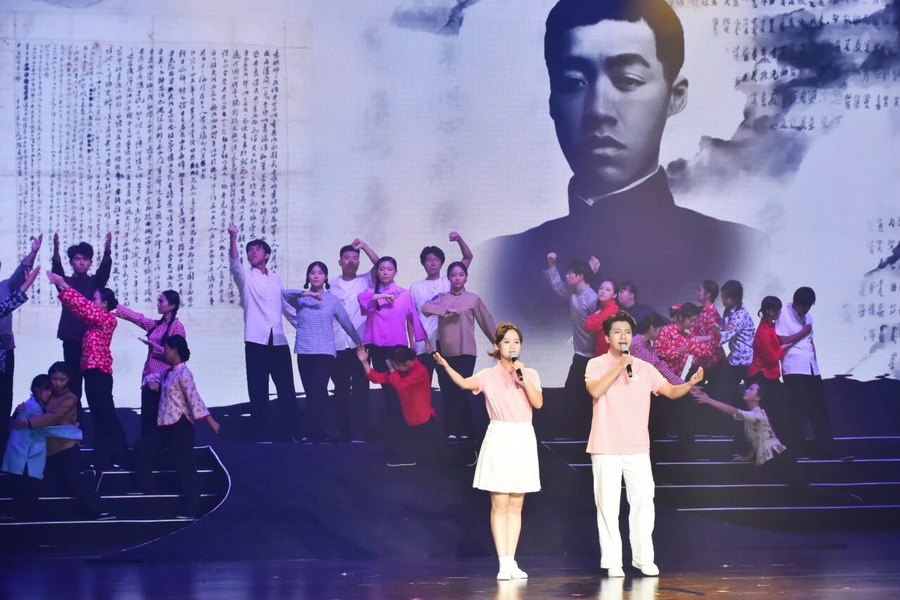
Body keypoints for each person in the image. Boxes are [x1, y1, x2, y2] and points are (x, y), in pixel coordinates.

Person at [478, 0, 766, 359]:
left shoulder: (737, 248)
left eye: (628, 80)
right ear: (552, 100)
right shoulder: (502, 263)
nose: (598, 110)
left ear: (675, 97)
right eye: (573, 82)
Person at [584, 311, 704, 578]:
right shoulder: (596, 364)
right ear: (607, 337)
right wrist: (619, 366)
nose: (623, 337)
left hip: (637, 447)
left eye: (627, 332)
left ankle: (643, 559)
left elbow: (670, 391)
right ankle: (613, 562)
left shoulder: (645, 367)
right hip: (605, 446)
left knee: (643, 503)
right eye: (617, 332)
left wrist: (689, 383)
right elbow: (595, 390)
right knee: (608, 506)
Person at [434, 322, 543, 581]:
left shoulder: (530, 373)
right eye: (507, 341)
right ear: (496, 345)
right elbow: (464, 383)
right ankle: (503, 562)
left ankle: (512, 561)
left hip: (523, 436)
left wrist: (522, 377)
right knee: (500, 503)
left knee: (516, 504)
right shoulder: (488, 375)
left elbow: (537, 403)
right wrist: (446, 365)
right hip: (500, 436)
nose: (512, 346)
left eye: (516, 341)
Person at [47, 270, 127, 471]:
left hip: (101, 373)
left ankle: (121, 455)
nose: (92, 302)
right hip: (91, 373)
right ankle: (102, 459)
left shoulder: (107, 319)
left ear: (104, 304)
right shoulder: (93, 321)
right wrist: (63, 289)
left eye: (95, 299)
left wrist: (64, 284)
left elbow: (83, 306)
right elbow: (79, 308)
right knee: (98, 418)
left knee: (108, 416)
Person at [11, 362, 112, 520]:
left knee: (74, 479)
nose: (57, 383)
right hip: (46, 445)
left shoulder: (70, 398)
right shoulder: (47, 392)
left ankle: (98, 510)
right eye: (54, 379)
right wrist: (19, 412)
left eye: (62, 380)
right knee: (31, 478)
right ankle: (21, 514)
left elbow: (54, 416)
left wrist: (29, 422)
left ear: (68, 379)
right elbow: (32, 408)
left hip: (65, 445)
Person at [135, 336, 220, 518]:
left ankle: (193, 506)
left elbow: (194, 398)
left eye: (166, 348)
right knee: (144, 448)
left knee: (185, 464)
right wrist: (149, 383)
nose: (164, 352)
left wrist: (211, 421)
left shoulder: (184, 374)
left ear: (175, 350)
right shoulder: (168, 372)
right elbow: (149, 377)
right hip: (165, 423)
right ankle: (147, 488)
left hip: (180, 424)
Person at [228, 224, 298, 442]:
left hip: (278, 340)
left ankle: (290, 432)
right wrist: (233, 238)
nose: (252, 252)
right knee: (258, 389)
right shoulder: (246, 277)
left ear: (267, 255)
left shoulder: (276, 278)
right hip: (256, 340)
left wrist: (306, 327)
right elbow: (235, 265)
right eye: (249, 250)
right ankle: (261, 432)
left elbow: (285, 306)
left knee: (286, 388)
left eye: (257, 249)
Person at [283, 261, 363, 443]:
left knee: (316, 392)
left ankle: (302, 431)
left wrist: (359, 342)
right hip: (304, 352)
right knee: (314, 394)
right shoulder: (301, 299)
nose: (316, 276)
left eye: (320, 273)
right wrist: (307, 293)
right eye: (312, 273)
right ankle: (316, 432)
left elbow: (346, 322)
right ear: (308, 276)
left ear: (326, 277)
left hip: (325, 353)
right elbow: (285, 295)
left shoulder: (332, 300)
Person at [421, 261, 496, 440]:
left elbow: (486, 321)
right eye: (453, 275)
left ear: (466, 277)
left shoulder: (473, 298)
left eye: (461, 275)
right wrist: (445, 309)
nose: (457, 278)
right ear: (448, 278)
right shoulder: (441, 297)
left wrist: (499, 343)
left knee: (461, 390)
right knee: (448, 391)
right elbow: (425, 308)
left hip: (466, 351)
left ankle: (465, 430)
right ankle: (451, 431)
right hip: (444, 352)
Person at [358, 257, 427, 440]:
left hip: (397, 348)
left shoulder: (404, 293)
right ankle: (392, 430)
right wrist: (381, 296)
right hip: (376, 346)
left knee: (399, 389)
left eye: (389, 269)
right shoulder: (370, 292)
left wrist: (420, 339)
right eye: (381, 269)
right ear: (377, 272)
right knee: (385, 385)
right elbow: (363, 301)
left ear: (395, 272)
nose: (385, 272)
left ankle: (403, 429)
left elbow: (413, 316)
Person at [2, 374, 84, 520]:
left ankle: (18, 516)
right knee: (26, 489)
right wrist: (72, 431)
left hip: (27, 454)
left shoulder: (36, 406)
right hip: (25, 455)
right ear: (36, 389)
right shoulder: (32, 407)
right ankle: (15, 516)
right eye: (46, 389)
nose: (49, 393)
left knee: (28, 489)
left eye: (50, 390)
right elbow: (43, 429)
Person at [776, 287, 841, 460]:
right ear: (796, 303)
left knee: (819, 409)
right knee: (797, 410)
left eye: (809, 307)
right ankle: (797, 450)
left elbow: (811, 343)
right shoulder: (783, 315)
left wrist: (816, 362)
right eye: (803, 307)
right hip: (794, 368)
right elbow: (783, 340)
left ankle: (825, 448)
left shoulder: (808, 317)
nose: (806, 310)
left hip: (811, 367)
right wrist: (803, 332)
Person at [114, 290, 186, 438]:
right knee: (148, 417)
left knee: (163, 418)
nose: (158, 304)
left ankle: (161, 446)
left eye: (161, 301)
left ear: (172, 306)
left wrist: (155, 347)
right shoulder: (157, 325)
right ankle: (148, 446)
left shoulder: (177, 327)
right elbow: (139, 319)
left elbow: (178, 354)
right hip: (149, 377)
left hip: (165, 380)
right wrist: (116, 306)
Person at [51, 232, 113, 400]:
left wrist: (107, 253)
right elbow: (57, 272)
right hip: (71, 338)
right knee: (73, 380)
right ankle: (74, 414)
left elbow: (104, 272)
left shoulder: (95, 282)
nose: (81, 262)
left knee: (93, 381)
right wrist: (56, 251)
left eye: (85, 259)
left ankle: (96, 414)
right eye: (77, 259)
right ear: (71, 262)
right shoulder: (66, 282)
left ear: (90, 262)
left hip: (91, 340)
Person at [329, 240, 380, 442]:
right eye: (347, 258)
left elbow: (379, 263)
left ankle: (361, 432)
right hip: (337, 343)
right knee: (340, 389)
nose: (351, 261)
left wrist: (364, 247)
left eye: (355, 258)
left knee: (361, 389)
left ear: (359, 262)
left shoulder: (366, 280)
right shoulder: (331, 284)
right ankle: (343, 432)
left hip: (361, 345)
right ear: (339, 262)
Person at [543, 252, 597, 437]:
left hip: (592, 355)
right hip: (580, 352)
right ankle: (575, 431)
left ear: (579, 276)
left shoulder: (592, 298)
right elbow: (558, 285)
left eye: (570, 273)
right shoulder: (573, 292)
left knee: (581, 393)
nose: (567, 276)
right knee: (574, 392)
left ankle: (584, 431)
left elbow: (600, 327)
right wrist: (552, 264)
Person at [356, 345, 439, 466]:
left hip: (423, 421)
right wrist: (364, 362)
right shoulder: (400, 370)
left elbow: (400, 385)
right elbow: (377, 378)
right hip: (408, 417)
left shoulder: (420, 371)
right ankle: (404, 456)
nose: (394, 367)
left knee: (435, 459)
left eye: (396, 365)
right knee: (386, 426)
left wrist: (392, 369)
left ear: (408, 363)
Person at [409, 232, 474, 380]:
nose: (433, 263)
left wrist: (459, 239)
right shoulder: (415, 287)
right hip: (423, 345)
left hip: (447, 342)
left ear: (442, 263)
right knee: (422, 384)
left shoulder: (450, 280)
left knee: (448, 383)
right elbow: (411, 317)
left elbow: (468, 257)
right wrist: (412, 342)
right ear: (423, 263)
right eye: (429, 260)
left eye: (436, 260)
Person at [0, 234, 42, 456]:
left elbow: (20, 272)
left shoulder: (4, 286)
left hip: (5, 350)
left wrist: (33, 252)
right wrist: (27, 284)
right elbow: (6, 307)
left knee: (4, 400)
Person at [713, 280, 756, 457]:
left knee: (752, 401)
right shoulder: (728, 311)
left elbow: (723, 336)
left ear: (737, 298)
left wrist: (701, 339)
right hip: (734, 359)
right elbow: (722, 329)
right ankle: (737, 419)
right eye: (723, 297)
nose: (724, 301)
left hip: (747, 360)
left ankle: (747, 432)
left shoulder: (740, 315)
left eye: (727, 298)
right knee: (722, 391)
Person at [747, 296, 794, 450]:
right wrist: (783, 348)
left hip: (768, 376)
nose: (780, 313)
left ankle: (778, 446)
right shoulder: (763, 332)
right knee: (769, 414)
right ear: (770, 311)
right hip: (763, 377)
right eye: (778, 310)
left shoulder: (769, 325)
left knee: (775, 413)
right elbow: (771, 358)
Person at [691, 280, 726, 374]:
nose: (697, 293)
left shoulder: (712, 314)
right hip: (701, 359)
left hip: (714, 360)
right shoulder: (700, 311)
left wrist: (696, 338)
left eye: (700, 290)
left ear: (707, 295)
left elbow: (715, 338)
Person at [584, 280, 619, 356]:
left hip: (608, 354)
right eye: (601, 288)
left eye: (608, 290)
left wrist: (595, 314)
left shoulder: (611, 310)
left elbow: (589, 326)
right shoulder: (604, 308)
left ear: (614, 295)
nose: (603, 291)